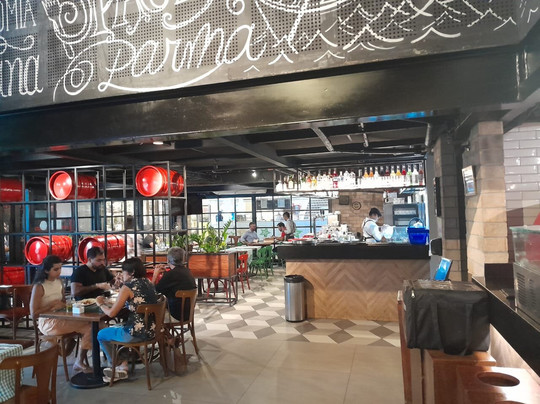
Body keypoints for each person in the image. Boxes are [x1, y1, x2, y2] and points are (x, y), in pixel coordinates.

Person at [96, 257, 159, 381]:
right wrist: (122, 284)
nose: (122, 274)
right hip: (152, 331)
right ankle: (123, 365)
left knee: (102, 334)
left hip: (135, 333)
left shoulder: (128, 287)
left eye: (123, 272)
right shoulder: (147, 282)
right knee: (119, 328)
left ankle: (118, 365)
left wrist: (100, 303)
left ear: (132, 272)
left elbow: (111, 314)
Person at [30, 255, 93, 374]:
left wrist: (66, 305)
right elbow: (33, 314)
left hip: (61, 317)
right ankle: (78, 360)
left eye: (60, 268)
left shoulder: (59, 282)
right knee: (90, 327)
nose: (59, 272)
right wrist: (51, 306)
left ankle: (78, 360)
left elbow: (62, 302)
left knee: (91, 326)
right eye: (56, 269)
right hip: (47, 322)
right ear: (46, 270)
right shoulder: (39, 286)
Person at [151, 247, 196, 322]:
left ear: (168, 260)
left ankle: (159, 330)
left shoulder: (170, 275)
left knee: (151, 312)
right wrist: (165, 273)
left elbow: (153, 291)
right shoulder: (187, 271)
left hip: (175, 315)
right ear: (183, 259)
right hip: (187, 314)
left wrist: (155, 275)